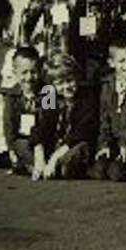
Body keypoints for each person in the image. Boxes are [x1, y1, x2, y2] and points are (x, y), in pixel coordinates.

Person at [30, 53, 98, 181]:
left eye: (70, 80)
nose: (66, 87)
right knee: (24, 144)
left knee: (77, 152)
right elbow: (41, 127)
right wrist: (39, 157)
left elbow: (81, 133)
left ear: (77, 77)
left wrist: (54, 158)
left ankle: (60, 167)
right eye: (60, 83)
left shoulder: (87, 97)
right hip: (56, 143)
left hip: (76, 144)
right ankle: (40, 166)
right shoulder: (49, 96)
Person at [90, 35, 126, 181]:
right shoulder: (107, 85)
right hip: (112, 140)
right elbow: (104, 117)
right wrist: (104, 144)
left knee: (117, 174)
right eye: (121, 61)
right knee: (99, 171)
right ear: (111, 63)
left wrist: (125, 143)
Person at [2, 46, 44, 174]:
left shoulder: (48, 92)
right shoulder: (11, 96)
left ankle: (32, 166)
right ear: (15, 72)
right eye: (24, 72)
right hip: (23, 140)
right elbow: (9, 125)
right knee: (20, 144)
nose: (29, 77)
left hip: (43, 141)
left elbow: (48, 122)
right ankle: (30, 165)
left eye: (33, 72)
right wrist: (11, 149)